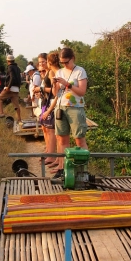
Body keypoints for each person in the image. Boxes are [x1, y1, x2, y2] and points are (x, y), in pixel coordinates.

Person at [52, 47, 88, 178]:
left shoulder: (80, 71)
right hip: (60, 108)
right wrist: (55, 84)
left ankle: (82, 170)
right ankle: (62, 169)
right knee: (62, 140)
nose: (64, 65)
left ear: (72, 58)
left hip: (75, 108)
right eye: (62, 62)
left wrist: (67, 84)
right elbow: (55, 94)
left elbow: (82, 92)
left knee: (79, 139)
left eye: (66, 62)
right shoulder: (59, 72)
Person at [33, 53, 57, 165]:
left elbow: (53, 91)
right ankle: (48, 150)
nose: (42, 64)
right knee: (45, 129)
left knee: (50, 129)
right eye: (40, 62)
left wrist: (41, 89)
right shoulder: (46, 73)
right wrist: (40, 92)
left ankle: (51, 155)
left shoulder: (51, 72)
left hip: (51, 103)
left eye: (44, 61)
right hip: (45, 103)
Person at [0, 55, 22, 122]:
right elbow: (19, 78)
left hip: (10, 88)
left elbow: (12, 77)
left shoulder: (10, 67)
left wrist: (8, 87)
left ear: (7, 61)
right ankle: (19, 119)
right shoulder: (17, 68)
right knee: (16, 105)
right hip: (16, 89)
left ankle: (1, 113)